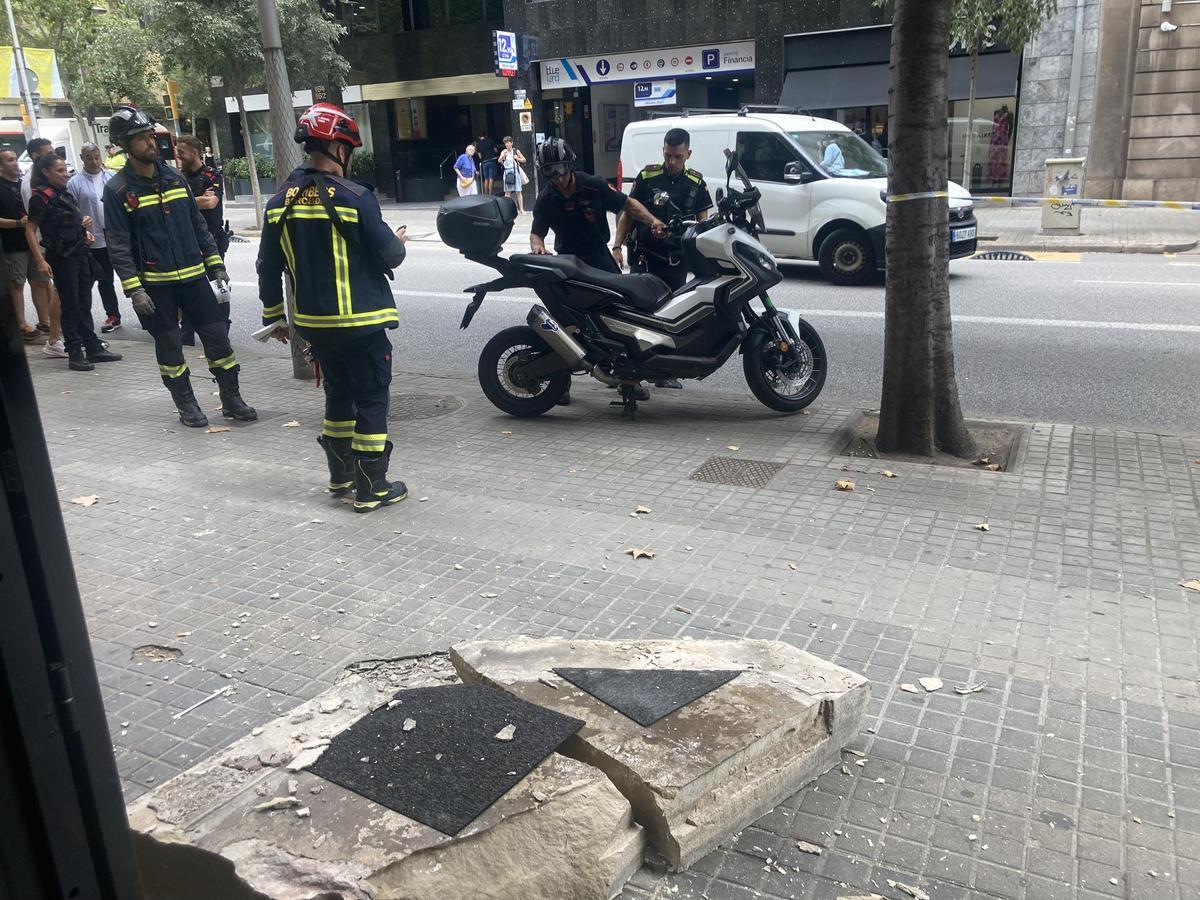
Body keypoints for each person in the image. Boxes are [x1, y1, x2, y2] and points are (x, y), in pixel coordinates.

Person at [257, 102, 409, 513]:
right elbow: (391, 255)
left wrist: (274, 317)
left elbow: (267, 268)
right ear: (340, 149)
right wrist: (397, 240)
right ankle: (371, 489)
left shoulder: (277, 205)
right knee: (373, 400)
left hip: (315, 326)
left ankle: (340, 476)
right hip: (361, 324)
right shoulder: (356, 198)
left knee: (338, 398)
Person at [103, 106, 255, 428]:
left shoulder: (175, 178)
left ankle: (231, 399)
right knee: (170, 347)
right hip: (156, 287)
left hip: (195, 278)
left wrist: (215, 265)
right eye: (141, 138)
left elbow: (199, 226)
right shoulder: (118, 190)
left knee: (218, 340)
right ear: (125, 145)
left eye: (150, 136)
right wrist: (134, 289)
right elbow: (118, 245)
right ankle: (186, 404)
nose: (150, 143)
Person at [530, 137, 665, 404]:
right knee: (568, 323)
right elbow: (537, 233)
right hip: (567, 263)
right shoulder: (547, 197)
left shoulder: (593, 186)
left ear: (569, 165)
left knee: (624, 316)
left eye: (558, 169)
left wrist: (653, 221)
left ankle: (630, 381)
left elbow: (628, 205)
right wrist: (538, 248)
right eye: (548, 171)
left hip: (599, 258)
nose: (555, 177)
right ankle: (562, 383)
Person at [612, 127, 712, 390]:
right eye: (668, 155)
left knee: (672, 318)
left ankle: (664, 370)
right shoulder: (648, 176)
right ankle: (627, 377)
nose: (672, 162)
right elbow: (628, 213)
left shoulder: (696, 184)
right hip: (645, 258)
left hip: (676, 263)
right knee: (634, 318)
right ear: (663, 151)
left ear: (688, 154)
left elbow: (703, 224)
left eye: (678, 156)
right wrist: (617, 246)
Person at [25, 154, 123, 371]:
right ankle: (75, 351)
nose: (65, 174)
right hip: (62, 258)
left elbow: (71, 223)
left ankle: (92, 346)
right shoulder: (40, 198)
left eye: (65, 169)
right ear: (46, 173)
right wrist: (40, 260)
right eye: (59, 171)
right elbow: (30, 230)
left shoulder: (65, 193)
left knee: (84, 303)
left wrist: (84, 227)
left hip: (81, 254)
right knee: (70, 306)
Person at [176, 134, 228, 345]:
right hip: (187, 240)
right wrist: (195, 199)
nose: (178, 156)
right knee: (189, 286)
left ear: (194, 152)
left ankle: (224, 326)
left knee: (218, 283)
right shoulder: (178, 178)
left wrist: (185, 200)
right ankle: (187, 331)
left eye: (181, 152)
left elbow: (210, 204)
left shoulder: (211, 175)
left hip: (212, 239)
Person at [67, 143, 121, 333]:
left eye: (96, 156)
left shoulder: (111, 177)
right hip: (95, 237)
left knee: (131, 275)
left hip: (116, 234)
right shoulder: (75, 183)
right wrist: (81, 222)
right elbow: (71, 209)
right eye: (89, 157)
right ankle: (112, 314)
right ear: (82, 158)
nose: (94, 161)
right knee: (104, 278)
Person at [0, 148, 49, 343]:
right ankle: (21, 324)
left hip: (34, 242)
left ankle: (44, 321)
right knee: (17, 284)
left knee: (39, 281)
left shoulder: (24, 184)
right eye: (10, 160)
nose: (15, 162)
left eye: (15, 159)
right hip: (13, 245)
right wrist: (18, 223)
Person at [497, 136, 528, 213]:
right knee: (507, 192)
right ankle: (506, 209)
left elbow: (524, 160)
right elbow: (499, 160)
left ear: (512, 143)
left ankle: (521, 209)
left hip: (515, 172)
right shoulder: (504, 152)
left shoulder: (516, 151)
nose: (507, 144)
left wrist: (517, 158)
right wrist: (503, 155)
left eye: (508, 142)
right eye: (505, 143)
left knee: (518, 191)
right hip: (507, 173)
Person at [476, 132, 498, 196]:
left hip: (484, 162)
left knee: (486, 179)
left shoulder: (478, 144)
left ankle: (486, 194)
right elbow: (495, 150)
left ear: (479, 137)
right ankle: (490, 194)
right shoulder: (491, 141)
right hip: (491, 161)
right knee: (491, 178)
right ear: (486, 136)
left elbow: (480, 156)